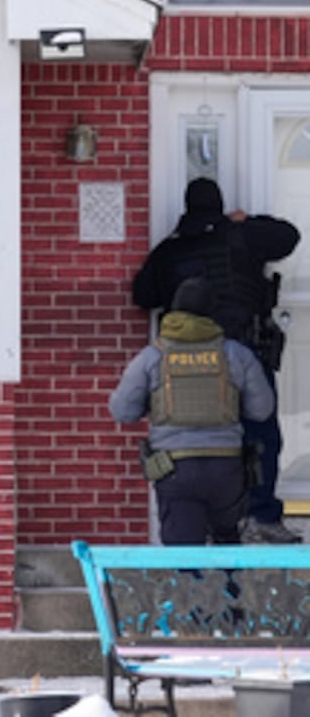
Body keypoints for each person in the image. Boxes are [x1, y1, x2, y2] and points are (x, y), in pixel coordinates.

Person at [132, 177, 302, 543]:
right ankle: (259, 517)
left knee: (197, 440)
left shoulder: (169, 251)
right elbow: (289, 236)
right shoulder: (239, 236)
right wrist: (244, 223)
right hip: (240, 353)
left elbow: (142, 295)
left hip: (183, 366)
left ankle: (207, 521)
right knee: (259, 434)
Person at [111, 277, 275, 544]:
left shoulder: (152, 357)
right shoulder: (236, 354)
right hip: (227, 468)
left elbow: (122, 412)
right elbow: (262, 410)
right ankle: (228, 585)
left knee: (183, 553)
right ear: (213, 314)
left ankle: (191, 585)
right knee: (226, 547)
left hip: (174, 467)